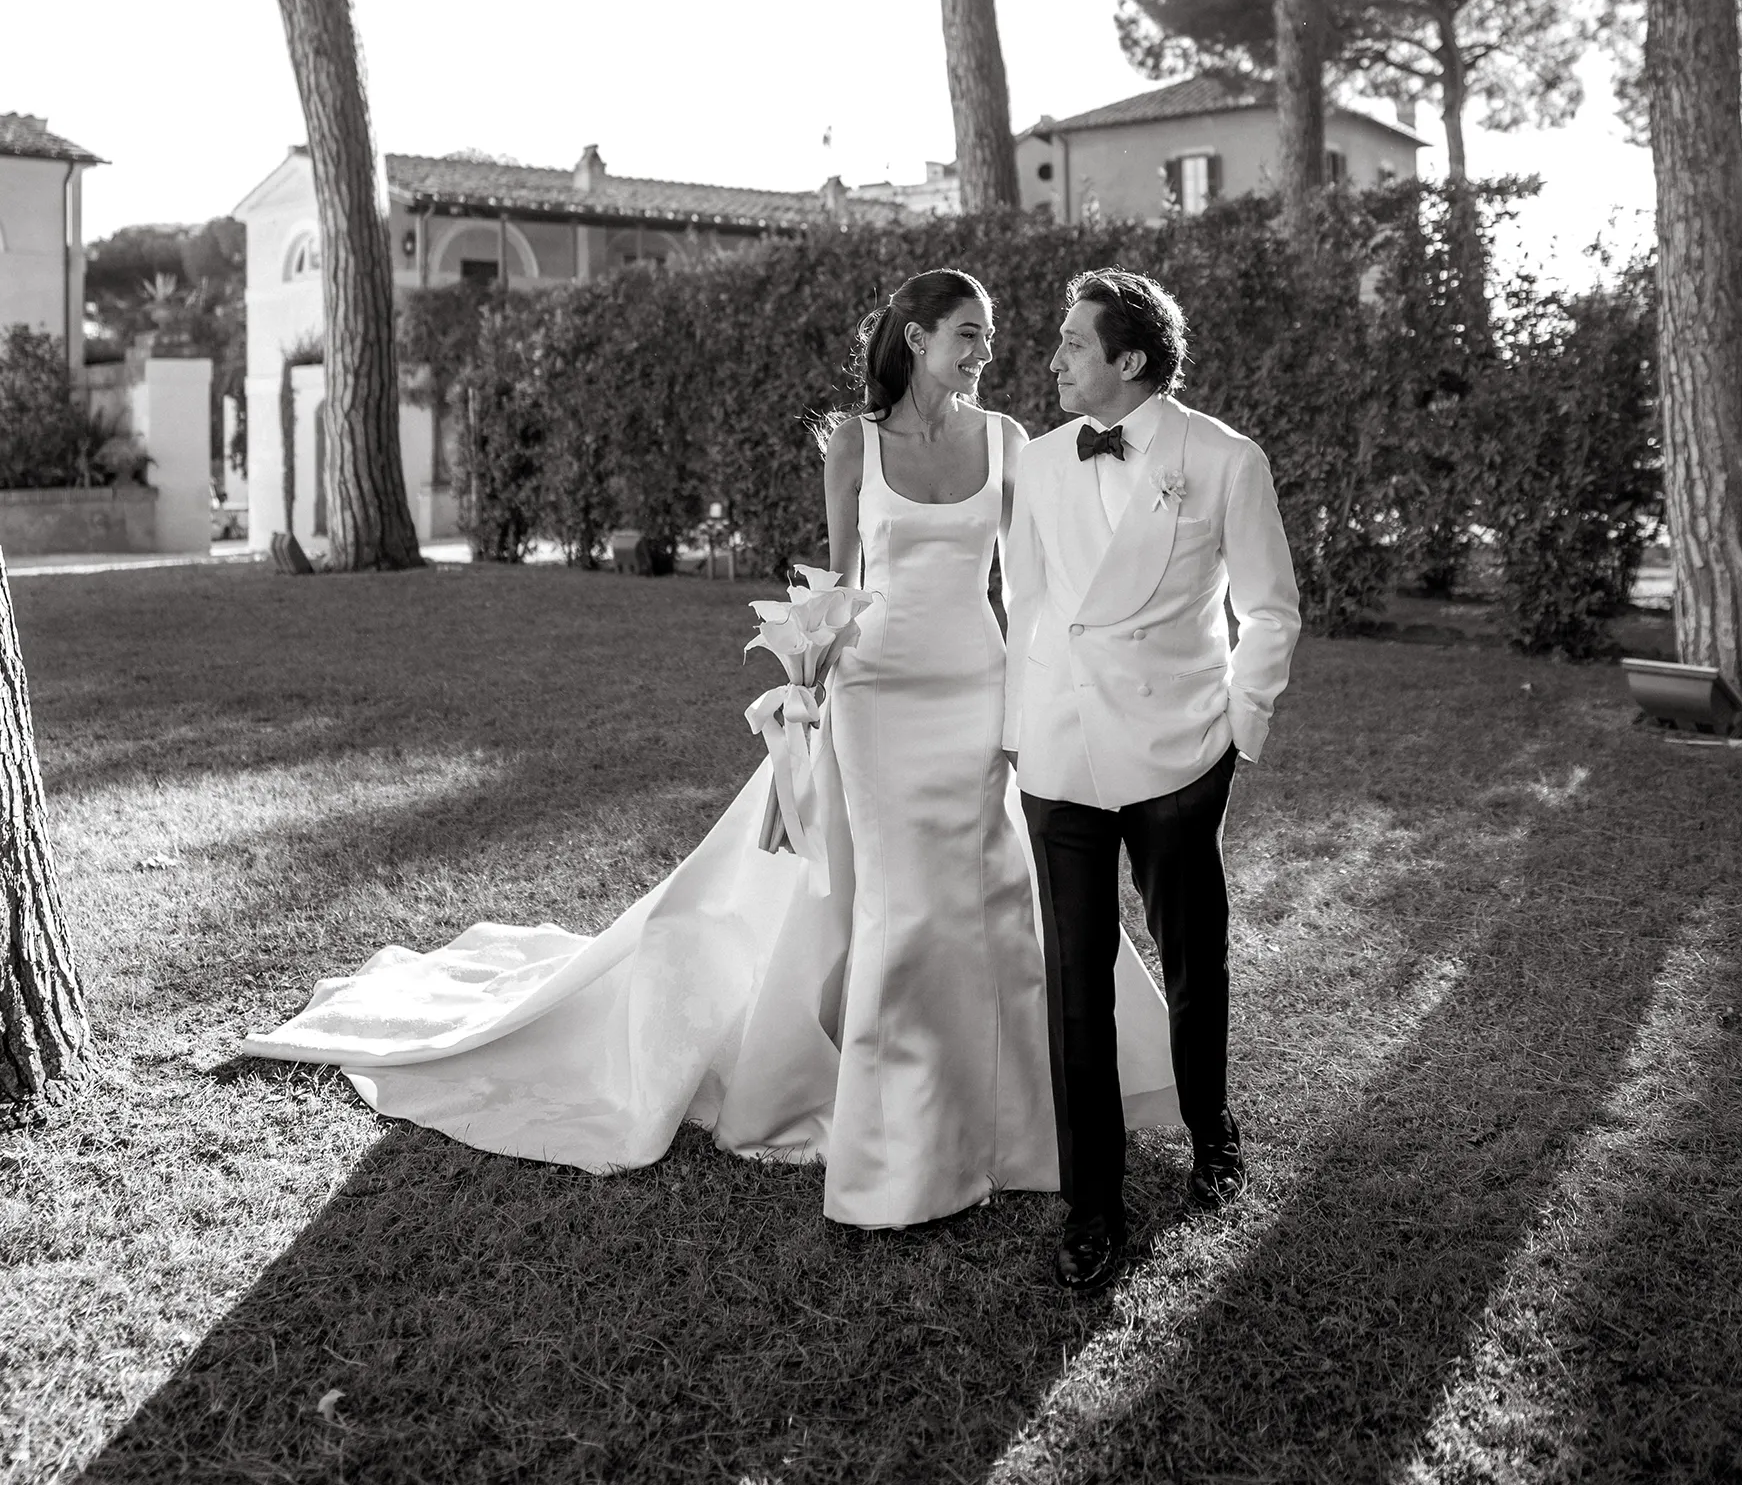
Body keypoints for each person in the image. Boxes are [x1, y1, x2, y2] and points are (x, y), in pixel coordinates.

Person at [244, 270, 1178, 1230]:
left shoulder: (1009, 440)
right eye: (968, 334)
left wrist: (1041, 696)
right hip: (876, 700)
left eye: (987, 334)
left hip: (975, 691)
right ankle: (902, 1151)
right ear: (916, 337)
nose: (986, 351)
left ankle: (1017, 1131)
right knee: (902, 911)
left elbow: (1026, 588)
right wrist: (804, 704)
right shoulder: (855, 444)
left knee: (988, 897)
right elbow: (837, 585)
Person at [1005, 268, 1302, 1291]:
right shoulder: (1041, 461)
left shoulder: (1223, 458)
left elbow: (1270, 610)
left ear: (1129, 360)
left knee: (1192, 960)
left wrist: (1238, 734)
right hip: (1060, 752)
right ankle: (1092, 1203)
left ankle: (1211, 1130)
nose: (1053, 359)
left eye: (1072, 344)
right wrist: (1020, 728)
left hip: (1179, 752)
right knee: (1075, 985)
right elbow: (1027, 602)